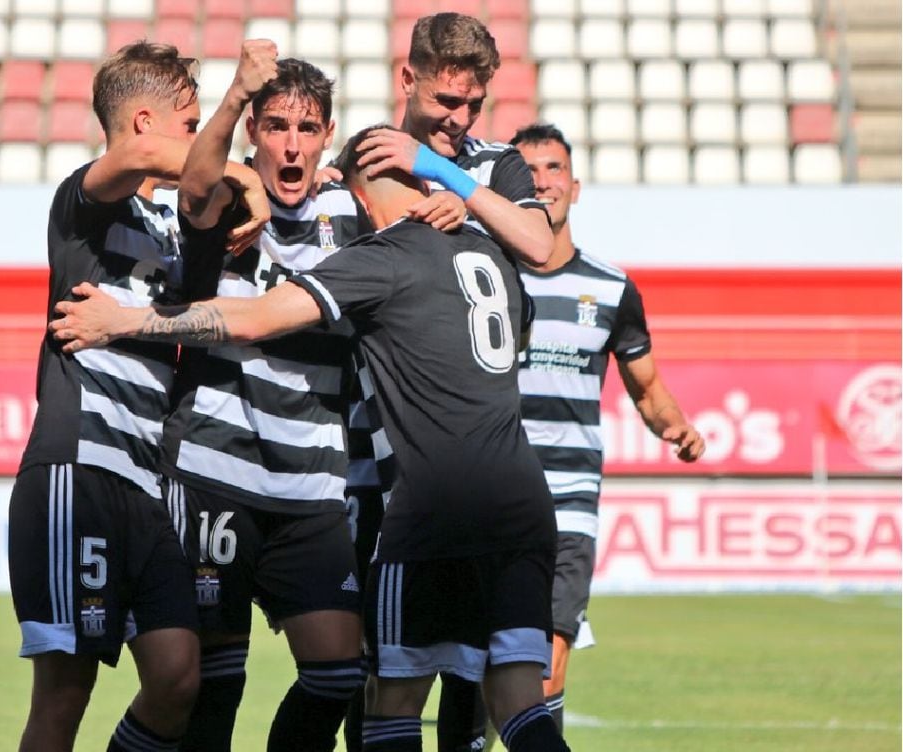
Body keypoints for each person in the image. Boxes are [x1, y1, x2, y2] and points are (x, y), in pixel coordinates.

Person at [48, 124, 572, 752]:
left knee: (392, 704)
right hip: (524, 506)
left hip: (435, 509)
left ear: (362, 197)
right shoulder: (492, 255)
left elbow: (256, 318)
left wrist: (125, 320)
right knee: (518, 701)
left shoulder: (380, 258)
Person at [6, 40, 268, 752]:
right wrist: (240, 140)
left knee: (178, 676)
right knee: (64, 697)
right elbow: (141, 159)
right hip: (79, 470)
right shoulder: (84, 203)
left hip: (146, 484)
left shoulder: (176, 228)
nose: (202, 141)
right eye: (191, 125)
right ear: (146, 122)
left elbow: (203, 194)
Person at [340, 13, 557, 750]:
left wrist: (451, 181)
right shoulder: (364, 158)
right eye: (445, 101)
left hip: (462, 466)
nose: (459, 120)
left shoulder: (494, 165)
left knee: (468, 697)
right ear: (408, 79)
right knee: (372, 679)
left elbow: (538, 243)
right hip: (374, 464)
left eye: (473, 105)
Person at [510, 123, 706, 733]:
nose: (543, 181)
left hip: (570, 500)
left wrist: (676, 426)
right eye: (528, 171)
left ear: (575, 186)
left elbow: (647, 389)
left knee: (546, 661)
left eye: (554, 169)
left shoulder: (611, 287)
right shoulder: (485, 277)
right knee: (484, 666)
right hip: (494, 492)